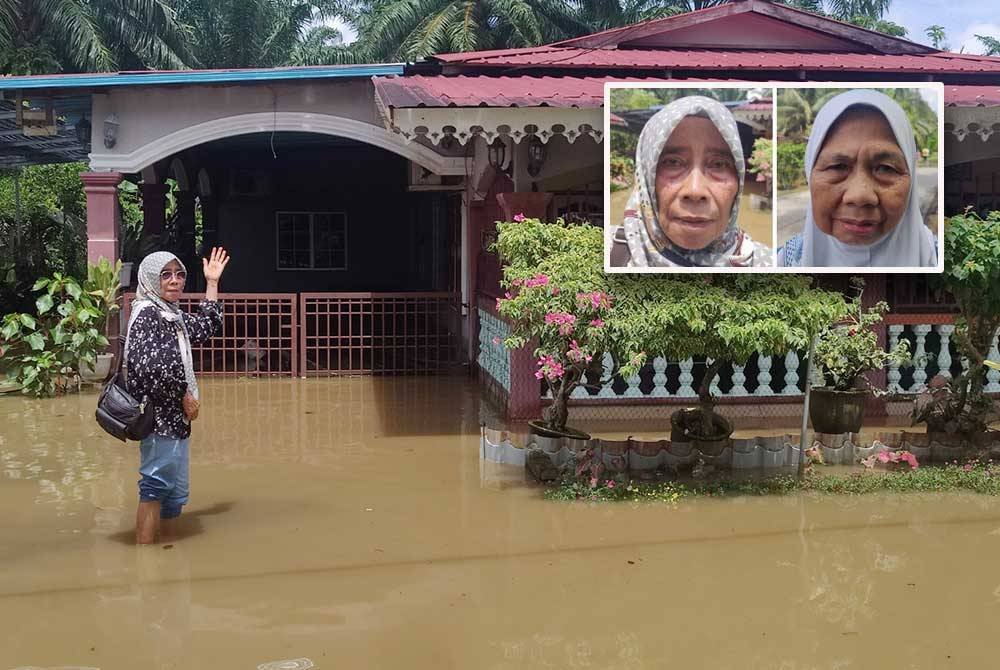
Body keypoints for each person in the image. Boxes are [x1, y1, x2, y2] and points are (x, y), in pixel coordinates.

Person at [125, 248, 229, 544]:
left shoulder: (170, 313)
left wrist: (212, 282)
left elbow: (207, 327)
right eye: (166, 274)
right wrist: (184, 395)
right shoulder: (147, 313)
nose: (175, 281)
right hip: (159, 419)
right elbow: (148, 367)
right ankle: (145, 562)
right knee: (155, 487)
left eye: (180, 274)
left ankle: (167, 553)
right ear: (149, 279)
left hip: (177, 419)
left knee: (175, 492)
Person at [777, 89, 937, 268]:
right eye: (838, 167)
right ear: (810, 172)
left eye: (885, 168)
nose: (860, 196)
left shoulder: (942, 258)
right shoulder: (782, 263)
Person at [617, 95, 773, 267]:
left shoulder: (769, 264)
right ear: (646, 175)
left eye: (718, 164)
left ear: (738, 179)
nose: (695, 191)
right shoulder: (608, 253)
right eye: (673, 162)